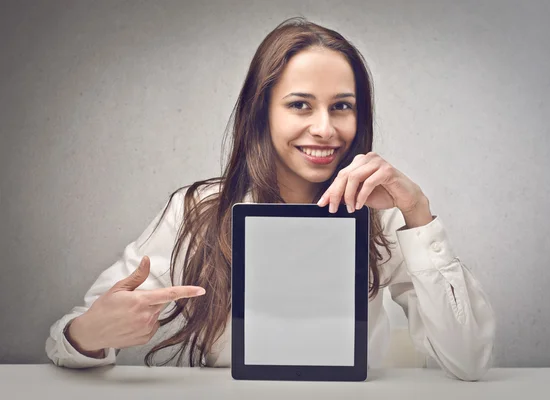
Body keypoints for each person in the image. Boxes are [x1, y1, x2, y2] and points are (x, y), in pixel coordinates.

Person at [45, 17, 496, 381]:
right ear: (262, 112)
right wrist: (90, 333)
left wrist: (417, 212)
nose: (325, 128)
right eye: (300, 104)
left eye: (342, 106)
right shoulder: (198, 210)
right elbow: (66, 339)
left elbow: (469, 361)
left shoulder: (383, 218)